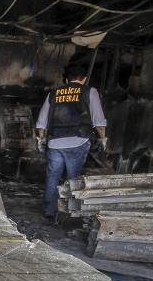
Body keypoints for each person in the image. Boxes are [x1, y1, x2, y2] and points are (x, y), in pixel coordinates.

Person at [35, 65, 108, 219]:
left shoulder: (54, 93)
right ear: (84, 79)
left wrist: (41, 139)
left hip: (54, 142)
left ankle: (49, 211)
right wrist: (103, 140)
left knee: (53, 177)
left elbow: (41, 121)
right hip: (78, 141)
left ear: (67, 79)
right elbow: (99, 121)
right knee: (73, 178)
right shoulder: (89, 91)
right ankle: (68, 213)